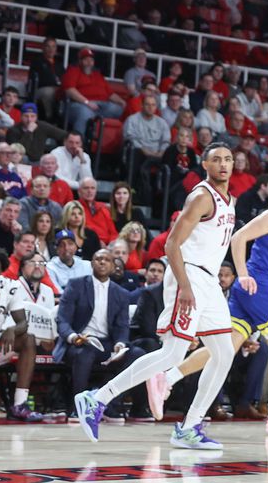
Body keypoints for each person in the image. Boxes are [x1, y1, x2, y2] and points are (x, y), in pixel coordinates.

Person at [73, 142, 239, 449]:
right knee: (173, 353)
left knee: (225, 353)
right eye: (216, 159)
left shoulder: (231, 200)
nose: (223, 164)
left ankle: (189, 427)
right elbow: (171, 244)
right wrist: (185, 285)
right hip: (188, 274)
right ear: (204, 164)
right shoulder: (202, 196)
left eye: (228, 159)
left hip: (209, 281)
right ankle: (97, 399)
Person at [150, 197, 268, 434]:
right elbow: (238, 237)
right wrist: (242, 275)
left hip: (257, 286)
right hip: (257, 286)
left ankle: (167, 379)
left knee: (224, 349)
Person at [56, 248, 145, 421]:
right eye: (98, 259)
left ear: (113, 266)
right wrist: (74, 337)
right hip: (79, 342)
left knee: (137, 355)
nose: (102, 262)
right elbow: (62, 320)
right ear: (92, 264)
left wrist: (120, 344)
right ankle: (79, 408)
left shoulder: (121, 293)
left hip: (107, 344)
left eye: (106, 260)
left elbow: (121, 327)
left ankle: (109, 405)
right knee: (85, 353)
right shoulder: (76, 285)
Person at [0, 245, 44, 421]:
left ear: (2, 268)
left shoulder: (9, 286)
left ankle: (19, 405)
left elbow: (23, 323)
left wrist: (12, 329)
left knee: (28, 340)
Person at [61, 48, 126, 134]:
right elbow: (70, 90)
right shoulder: (73, 71)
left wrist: (121, 101)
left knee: (118, 109)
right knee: (85, 112)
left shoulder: (97, 75)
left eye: (91, 60)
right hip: (79, 104)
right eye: (86, 59)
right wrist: (87, 102)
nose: (89, 62)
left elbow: (110, 94)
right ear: (80, 61)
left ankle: (106, 142)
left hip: (100, 107)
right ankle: (78, 143)